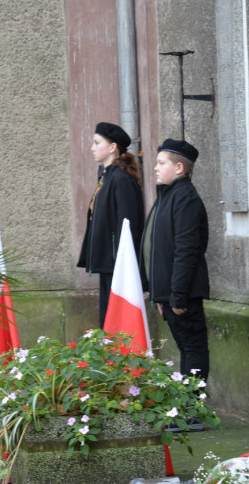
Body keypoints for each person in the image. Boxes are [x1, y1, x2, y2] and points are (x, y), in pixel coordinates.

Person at [140, 139, 210, 432]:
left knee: (193, 349)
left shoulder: (185, 198)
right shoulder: (167, 196)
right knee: (186, 349)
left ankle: (192, 411)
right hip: (169, 293)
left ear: (179, 167)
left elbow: (186, 250)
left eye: (161, 163)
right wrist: (159, 293)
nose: (155, 168)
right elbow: (158, 248)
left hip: (183, 294)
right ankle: (185, 408)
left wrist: (176, 294)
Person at [77, 121, 145, 327]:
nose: (92, 147)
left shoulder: (121, 180)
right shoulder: (106, 177)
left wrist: (121, 259)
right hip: (110, 263)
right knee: (107, 322)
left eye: (97, 142)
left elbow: (128, 224)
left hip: (118, 263)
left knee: (117, 323)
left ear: (112, 147)